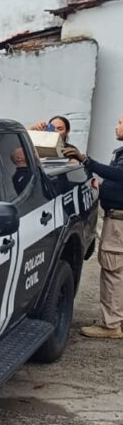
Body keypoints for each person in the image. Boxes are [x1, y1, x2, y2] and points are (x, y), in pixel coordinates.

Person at [64, 113, 123, 338]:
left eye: (120, 122)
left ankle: (111, 326)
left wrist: (87, 161)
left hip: (118, 222)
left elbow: (119, 174)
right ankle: (117, 319)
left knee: (112, 270)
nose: (116, 127)